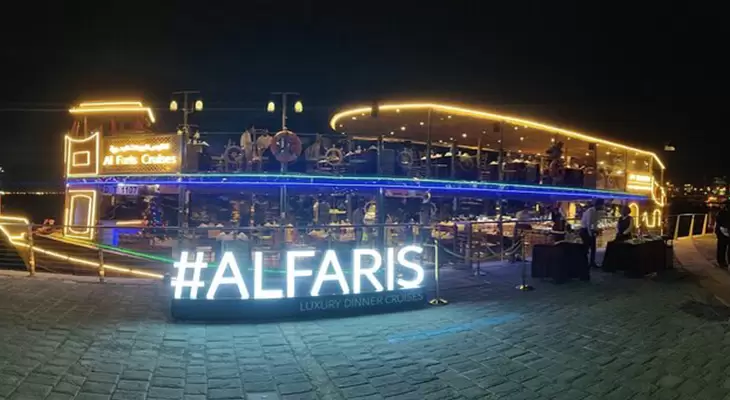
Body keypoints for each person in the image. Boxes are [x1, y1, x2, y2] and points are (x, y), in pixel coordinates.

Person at [580, 199, 605, 268]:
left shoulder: (597, 212)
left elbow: (595, 223)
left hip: (590, 230)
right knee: (586, 248)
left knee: (593, 248)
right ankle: (584, 263)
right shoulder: (590, 211)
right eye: (602, 205)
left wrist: (596, 230)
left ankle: (592, 262)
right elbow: (588, 224)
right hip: (585, 231)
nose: (603, 207)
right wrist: (590, 234)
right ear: (599, 205)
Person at [716, 200, 729, 268]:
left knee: (721, 248)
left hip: (722, 232)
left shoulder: (721, 212)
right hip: (723, 232)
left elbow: (719, 222)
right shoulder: (722, 213)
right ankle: (722, 262)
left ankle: (721, 262)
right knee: (722, 247)